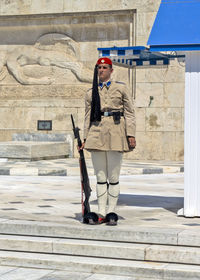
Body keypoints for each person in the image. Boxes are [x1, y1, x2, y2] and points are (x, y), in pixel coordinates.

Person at [81, 57, 136, 225]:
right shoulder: (91, 92)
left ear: (111, 70)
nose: (101, 70)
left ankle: (111, 210)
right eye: (99, 68)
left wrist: (130, 134)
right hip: (97, 133)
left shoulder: (121, 88)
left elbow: (130, 113)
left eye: (105, 68)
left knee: (113, 175)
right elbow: (87, 117)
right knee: (100, 175)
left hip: (116, 132)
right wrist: (85, 137)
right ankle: (101, 211)